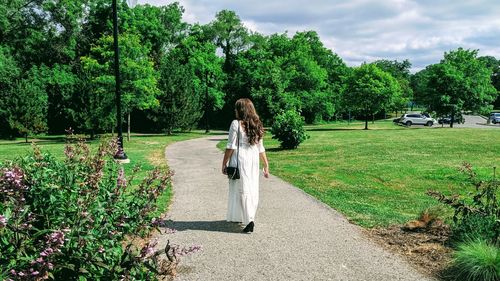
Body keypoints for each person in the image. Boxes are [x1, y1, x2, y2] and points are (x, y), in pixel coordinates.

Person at [221, 98, 269, 233]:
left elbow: (230, 146)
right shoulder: (257, 124)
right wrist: (266, 164)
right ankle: (245, 216)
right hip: (253, 160)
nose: (234, 110)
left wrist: (224, 162)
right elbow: (261, 147)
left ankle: (249, 220)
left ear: (241, 110)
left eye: (236, 108)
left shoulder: (235, 124)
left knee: (242, 189)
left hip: (240, 159)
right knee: (251, 187)